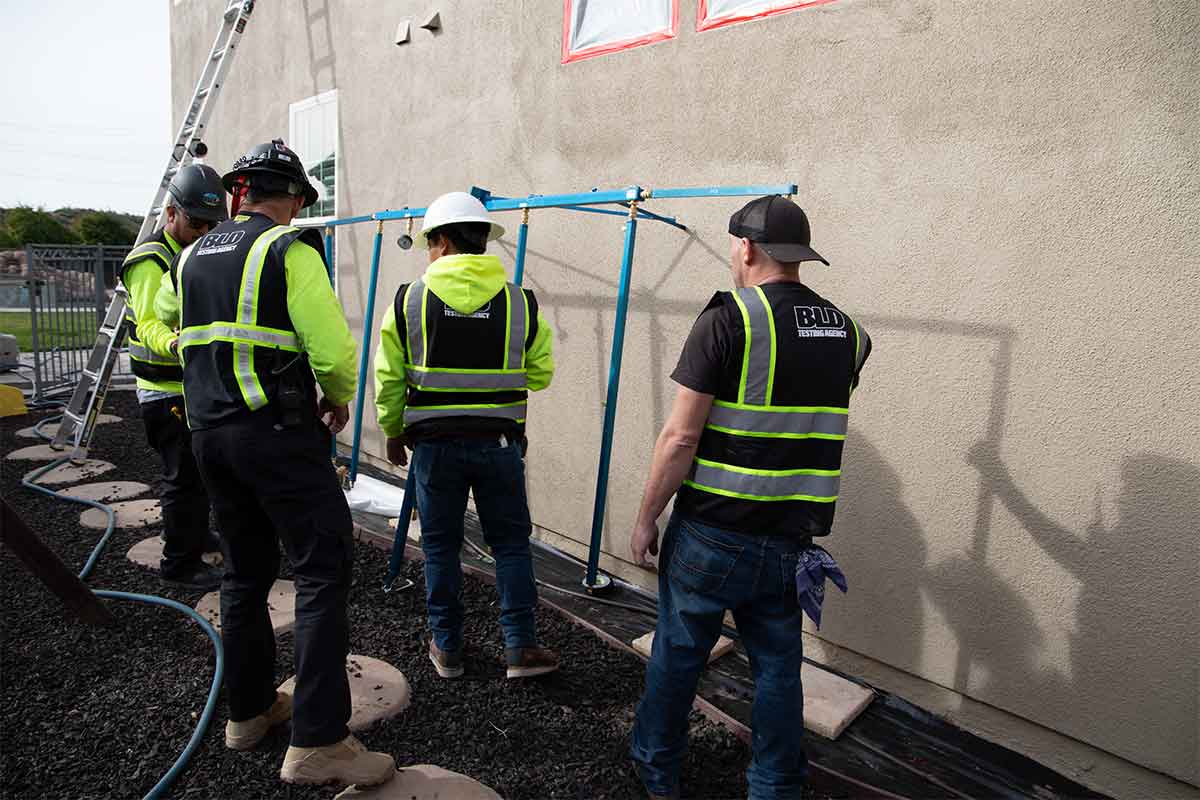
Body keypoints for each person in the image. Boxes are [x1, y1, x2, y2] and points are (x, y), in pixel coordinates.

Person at [155, 140, 395, 788]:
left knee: (244, 573)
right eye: (297, 201)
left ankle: (250, 712)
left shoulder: (190, 258)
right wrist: (338, 397)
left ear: (239, 192)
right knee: (321, 569)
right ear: (290, 199)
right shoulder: (288, 249)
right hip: (277, 433)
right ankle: (319, 741)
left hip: (210, 437)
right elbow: (334, 351)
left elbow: (168, 325)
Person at [628, 196, 871, 800]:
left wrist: (645, 517)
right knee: (778, 671)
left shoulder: (729, 318)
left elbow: (682, 436)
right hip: (791, 543)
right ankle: (775, 786)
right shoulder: (850, 333)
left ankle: (657, 770)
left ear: (745, 247)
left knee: (679, 656)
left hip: (713, 534)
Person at [373, 191, 559, 680]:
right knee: (512, 546)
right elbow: (540, 375)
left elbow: (389, 378)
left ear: (443, 241)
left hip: (434, 448)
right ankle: (520, 648)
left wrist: (393, 431)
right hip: (499, 447)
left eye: (430, 242)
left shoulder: (408, 300)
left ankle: (448, 648)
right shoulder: (521, 303)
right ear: (481, 242)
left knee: (440, 547)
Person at [119, 164, 226, 589]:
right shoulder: (150, 261)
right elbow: (147, 323)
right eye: (195, 223)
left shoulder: (189, 254)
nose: (202, 233)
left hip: (185, 386)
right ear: (170, 214)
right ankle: (180, 564)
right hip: (164, 391)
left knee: (196, 473)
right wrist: (176, 343)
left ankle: (195, 535)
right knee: (182, 478)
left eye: (210, 226)